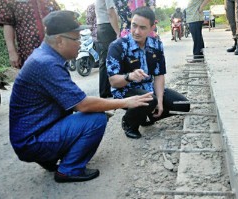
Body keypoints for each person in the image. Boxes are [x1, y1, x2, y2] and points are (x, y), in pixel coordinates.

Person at [9, 10, 153, 183]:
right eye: (76, 39)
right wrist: (125, 102)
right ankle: (69, 169)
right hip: (32, 141)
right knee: (96, 118)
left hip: (36, 133)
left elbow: (73, 100)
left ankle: (48, 158)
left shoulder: (45, 57)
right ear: (60, 40)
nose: (80, 43)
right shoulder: (46, 64)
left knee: (90, 113)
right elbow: (82, 104)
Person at [106, 6, 191, 139]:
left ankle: (147, 116)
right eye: (134, 26)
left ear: (152, 28)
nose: (137, 31)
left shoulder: (156, 45)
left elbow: (159, 75)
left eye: (143, 27)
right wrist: (130, 76)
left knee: (183, 105)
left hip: (148, 89)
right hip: (125, 90)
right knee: (150, 99)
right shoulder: (117, 46)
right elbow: (113, 82)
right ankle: (129, 122)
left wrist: (160, 101)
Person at [0, 0, 60, 69]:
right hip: (29, 51)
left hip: (55, 49)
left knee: (58, 76)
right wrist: (12, 52)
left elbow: (59, 18)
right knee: (34, 77)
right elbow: (7, 23)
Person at [95, 0, 120, 98]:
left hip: (101, 27)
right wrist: (118, 32)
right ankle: (107, 90)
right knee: (110, 58)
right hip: (108, 27)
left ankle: (105, 90)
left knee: (104, 59)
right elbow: (111, 12)